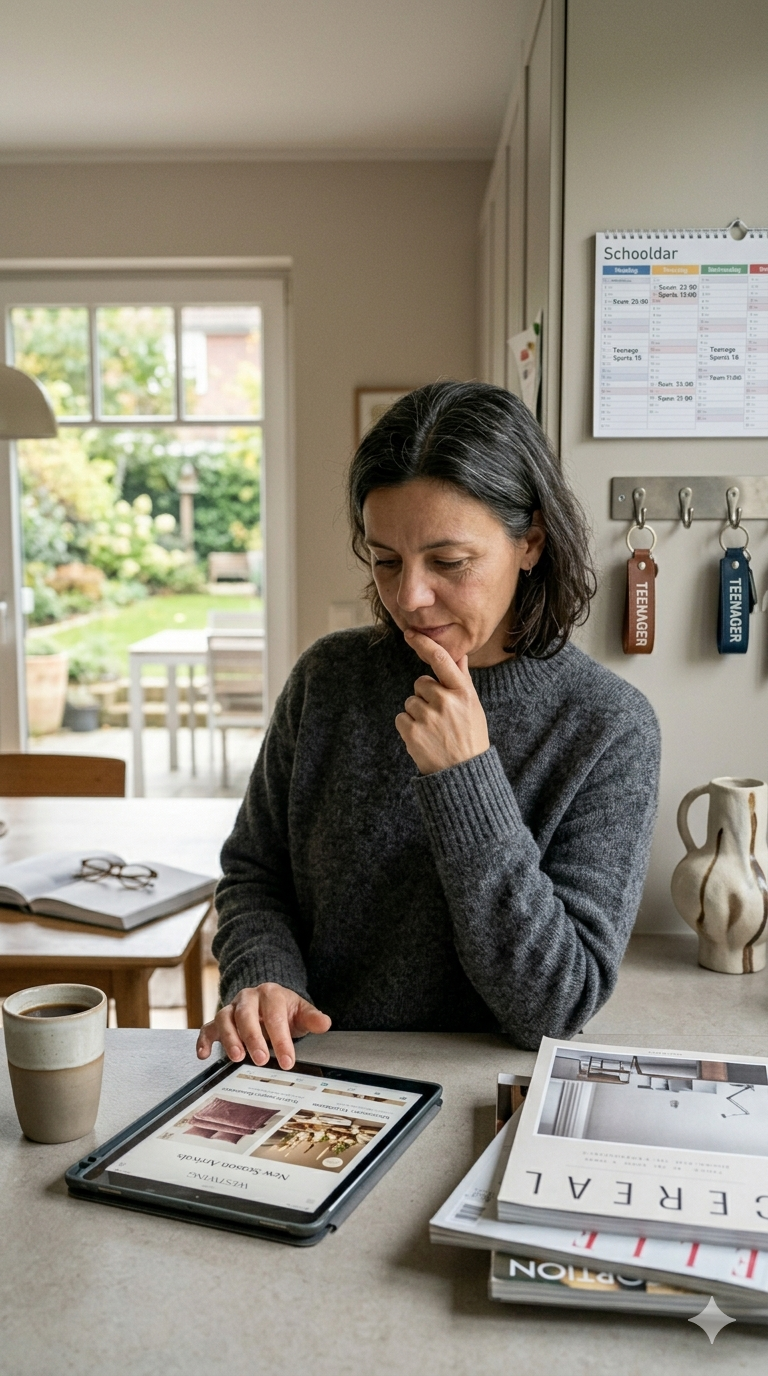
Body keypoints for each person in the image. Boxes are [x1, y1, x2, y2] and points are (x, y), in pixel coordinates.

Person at [197, 381, 660, 1070]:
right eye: (386, 560)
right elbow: (255, 874)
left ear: (531, 541)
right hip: (313, 1074)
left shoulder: (609, 728)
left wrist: (466, 779)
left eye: (449, 562)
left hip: (489, 1092)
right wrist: (265, 976)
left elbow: (556, 1004)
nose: (409, 596)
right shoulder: (329, 680)